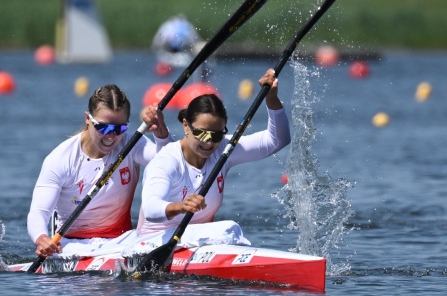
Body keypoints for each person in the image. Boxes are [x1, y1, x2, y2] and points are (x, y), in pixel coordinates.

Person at [137, 69, 291, 236]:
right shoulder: (167, 160)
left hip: (200, 241)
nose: (209, 142)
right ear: (186, 125)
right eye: (202, 133)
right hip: (154, 240)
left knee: (230, 229)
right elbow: (151, 209)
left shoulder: (224, 149)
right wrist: (181, 206)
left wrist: (271, 98)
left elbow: (277, 140)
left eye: (216, 134)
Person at [27, 84, 172, 258]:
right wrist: (41, 238)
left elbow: (170, 164)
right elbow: (39, 212)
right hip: (71, 245)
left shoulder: (132, 144)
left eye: (119, 129)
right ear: (88, 119)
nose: (111, 136)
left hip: (122, 242)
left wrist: (161, 134)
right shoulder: (60, 159)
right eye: (104, 128)